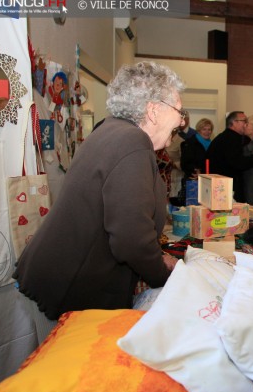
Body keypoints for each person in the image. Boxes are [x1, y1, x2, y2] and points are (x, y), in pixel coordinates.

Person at [13, 61, 183, 342]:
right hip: (67, 285)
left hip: (59, 276)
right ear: (153, 110)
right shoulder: (132, 144)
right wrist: (162, 275)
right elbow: (130, 237)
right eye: (179, 111)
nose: (181, 121)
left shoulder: (111, 129)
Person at [207, 111, 253, 203]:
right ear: (234, 123)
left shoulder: (229, 137)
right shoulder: (231, 139)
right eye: (244, 121)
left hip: (223, 189)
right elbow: (237, 162)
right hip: (225, 190)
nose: (245, 124)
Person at [180, 117, 213, 183]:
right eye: (204, 129)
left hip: (208, 179)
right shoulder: (190, 143)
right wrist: (196, 171)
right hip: (193, 180)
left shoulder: (212, 144)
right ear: (199, 130)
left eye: (209, 129)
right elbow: (185, 163)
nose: (207, 132)